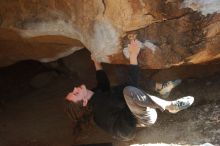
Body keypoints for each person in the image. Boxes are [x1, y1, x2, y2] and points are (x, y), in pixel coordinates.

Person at [65, 39, 194, 141]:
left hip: (130, 114)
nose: (75, 88)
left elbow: (103, 83)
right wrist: (133, 54)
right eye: (76, 93)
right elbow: (133, 86)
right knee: (128, 90)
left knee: (120, 71)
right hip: (143, 118)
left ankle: (160, 88)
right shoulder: (101, 103)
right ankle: (170, 106)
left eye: (73, 90)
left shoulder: (94, 98)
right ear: (84, 102)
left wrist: (96, 61)